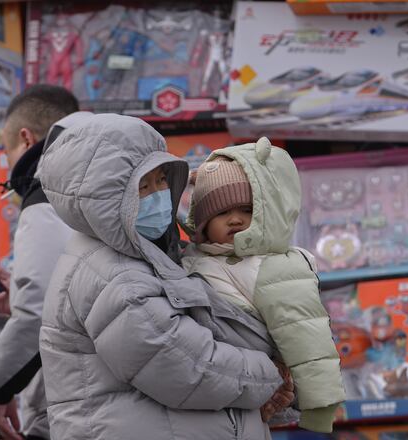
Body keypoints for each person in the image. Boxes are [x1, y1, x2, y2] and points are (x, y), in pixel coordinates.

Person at [36, 113, 295, 440]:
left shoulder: (152, 254)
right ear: (102, 200)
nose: (159, 194)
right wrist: (272, 376)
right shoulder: (112, 274)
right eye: (143, 187)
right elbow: (185, 364)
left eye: (161, 179)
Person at [181, 139, 345, 433]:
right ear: (202, 222)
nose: (235, 219)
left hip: (259, 382)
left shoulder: (274, 267)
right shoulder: (196, 257)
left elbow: (308, 340)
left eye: (247, 210)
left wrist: (319, 406)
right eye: (221, 212)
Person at [0, 85, 84, 440]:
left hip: (76, 402)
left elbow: (40, 311)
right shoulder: (113, 184)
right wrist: (18, 293)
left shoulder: (46, 196)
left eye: (7, 151)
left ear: (26, 138)